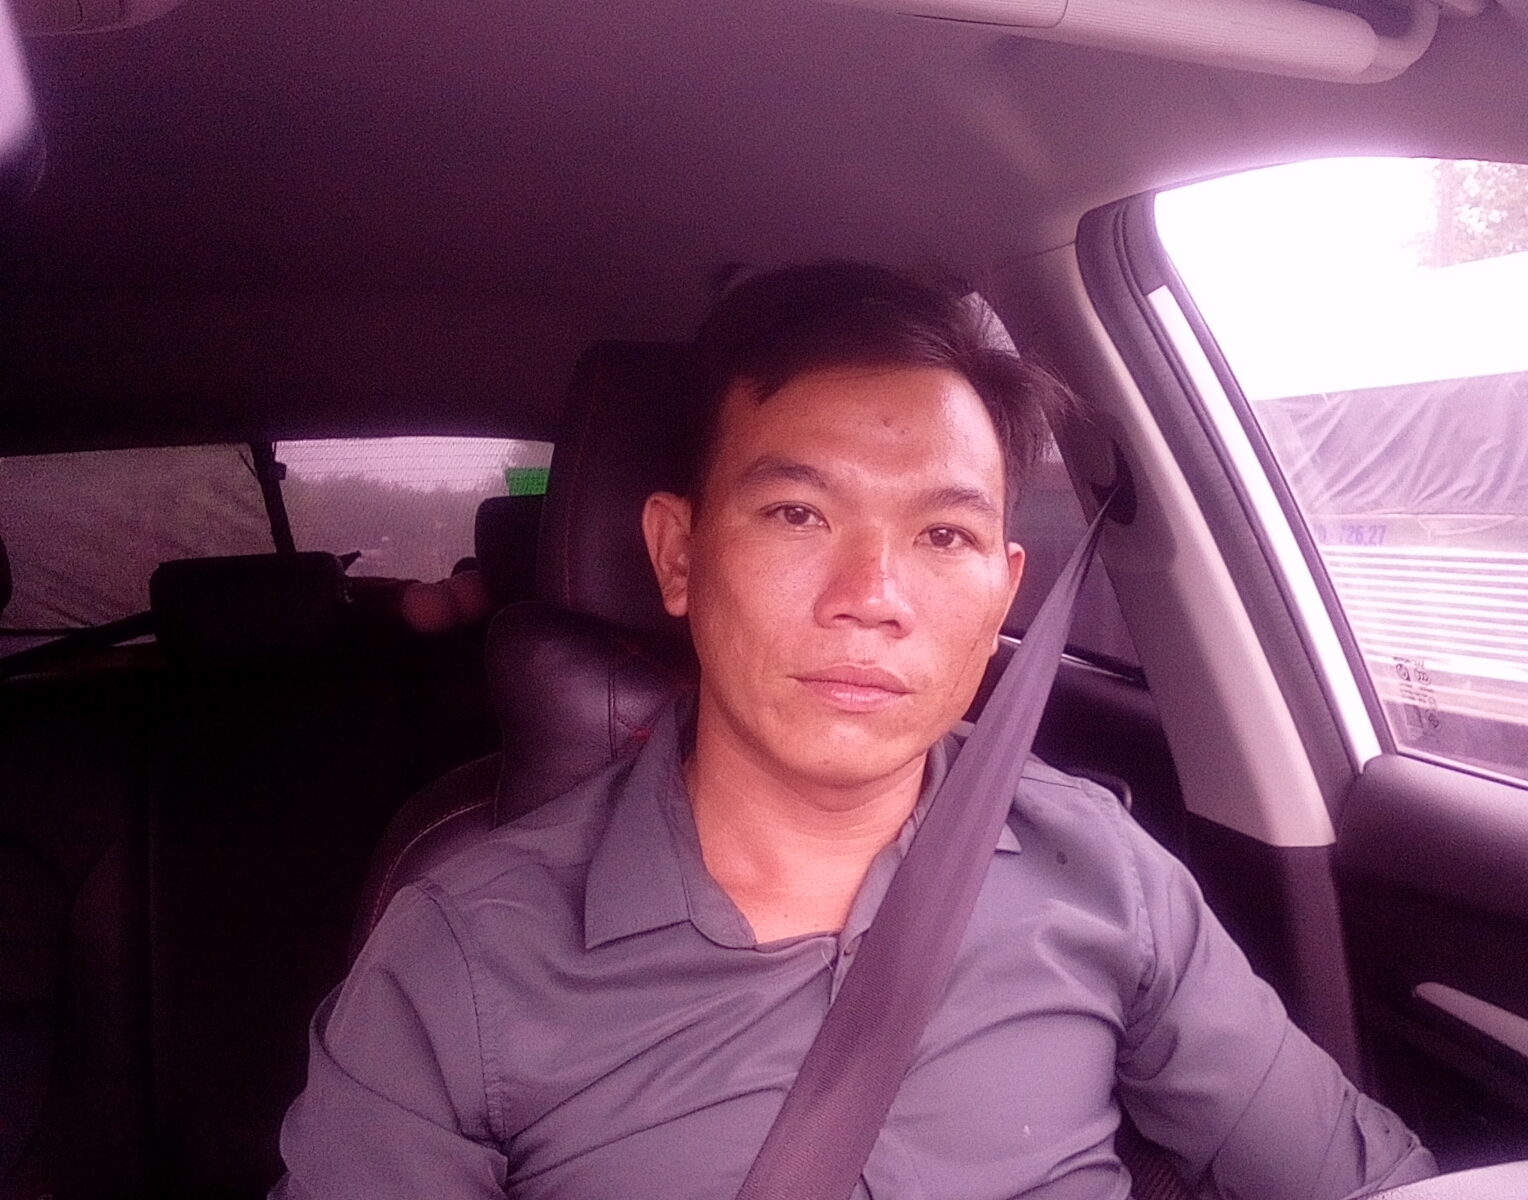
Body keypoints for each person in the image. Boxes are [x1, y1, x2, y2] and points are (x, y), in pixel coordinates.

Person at [271, 262, 1437, 1199]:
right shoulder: (464, 959)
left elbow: (1358, 1179)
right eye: (797, 512)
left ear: (1003, 591)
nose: (872, 596)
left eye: (943, 536)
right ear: (678, 556)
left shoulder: (1105, 873)